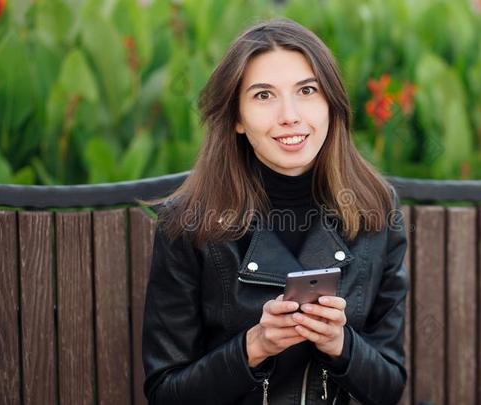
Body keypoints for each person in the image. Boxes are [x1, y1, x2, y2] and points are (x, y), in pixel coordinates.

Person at [142, 18, 410, 405]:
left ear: (330, 104)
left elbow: (388, 387)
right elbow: (165, 392)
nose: (290, 115)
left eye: (307, 90)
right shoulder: (188, 223)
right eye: (264, 96)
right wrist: (254, 346)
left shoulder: (376, 211)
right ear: (236, 117)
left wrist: (341, 343)